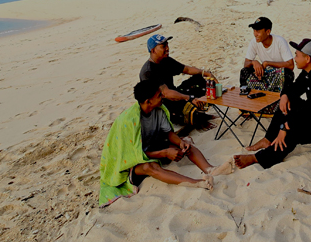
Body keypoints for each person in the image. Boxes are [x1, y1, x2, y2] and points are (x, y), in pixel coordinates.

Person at [99, 79, 233, 206]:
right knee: (149, 168)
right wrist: (164, 152)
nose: (163, 96)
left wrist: (180, 143)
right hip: (128, 163)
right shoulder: (129, 121)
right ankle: (197, 183)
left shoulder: (159, 110)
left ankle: (211, 170)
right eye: (159, 95)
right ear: (148, 101)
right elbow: (134, 154)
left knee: (186, 146)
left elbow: (168, 133)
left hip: (150, 147)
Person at [233, 38, 311, 169]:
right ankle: (268, 139)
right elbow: (294, 88)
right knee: (288, 102)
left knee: (292, 131)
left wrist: (284, 128)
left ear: (307, 59)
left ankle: (259, 158)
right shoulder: (310, 70)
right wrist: (284, 95)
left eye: (297, 55)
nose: (294, 58)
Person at [140, 34, 213, 124]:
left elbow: (187, 69)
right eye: (163, 46)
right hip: (163, 103)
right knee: (196, 116)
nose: (167, 48)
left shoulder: (166, 60)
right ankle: (196, 107)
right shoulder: (148, 72)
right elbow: (167, 93)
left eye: (167, 45)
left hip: (175, 94)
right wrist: (190, 98)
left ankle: (199, 103)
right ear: (153, 50)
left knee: (199, 80)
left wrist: (207, 73)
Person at [240, 17, 295, 93]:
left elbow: (291, 65)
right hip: (264, 75)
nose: (255, 34)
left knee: (287, 74)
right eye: (254, 30)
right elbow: (246, 64)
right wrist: (254, 62)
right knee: (244, 71)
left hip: (278, 75)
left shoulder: (280, 41)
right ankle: (247, 97)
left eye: (258, 31)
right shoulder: (254, 42)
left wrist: (267, 63)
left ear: (268, 31)